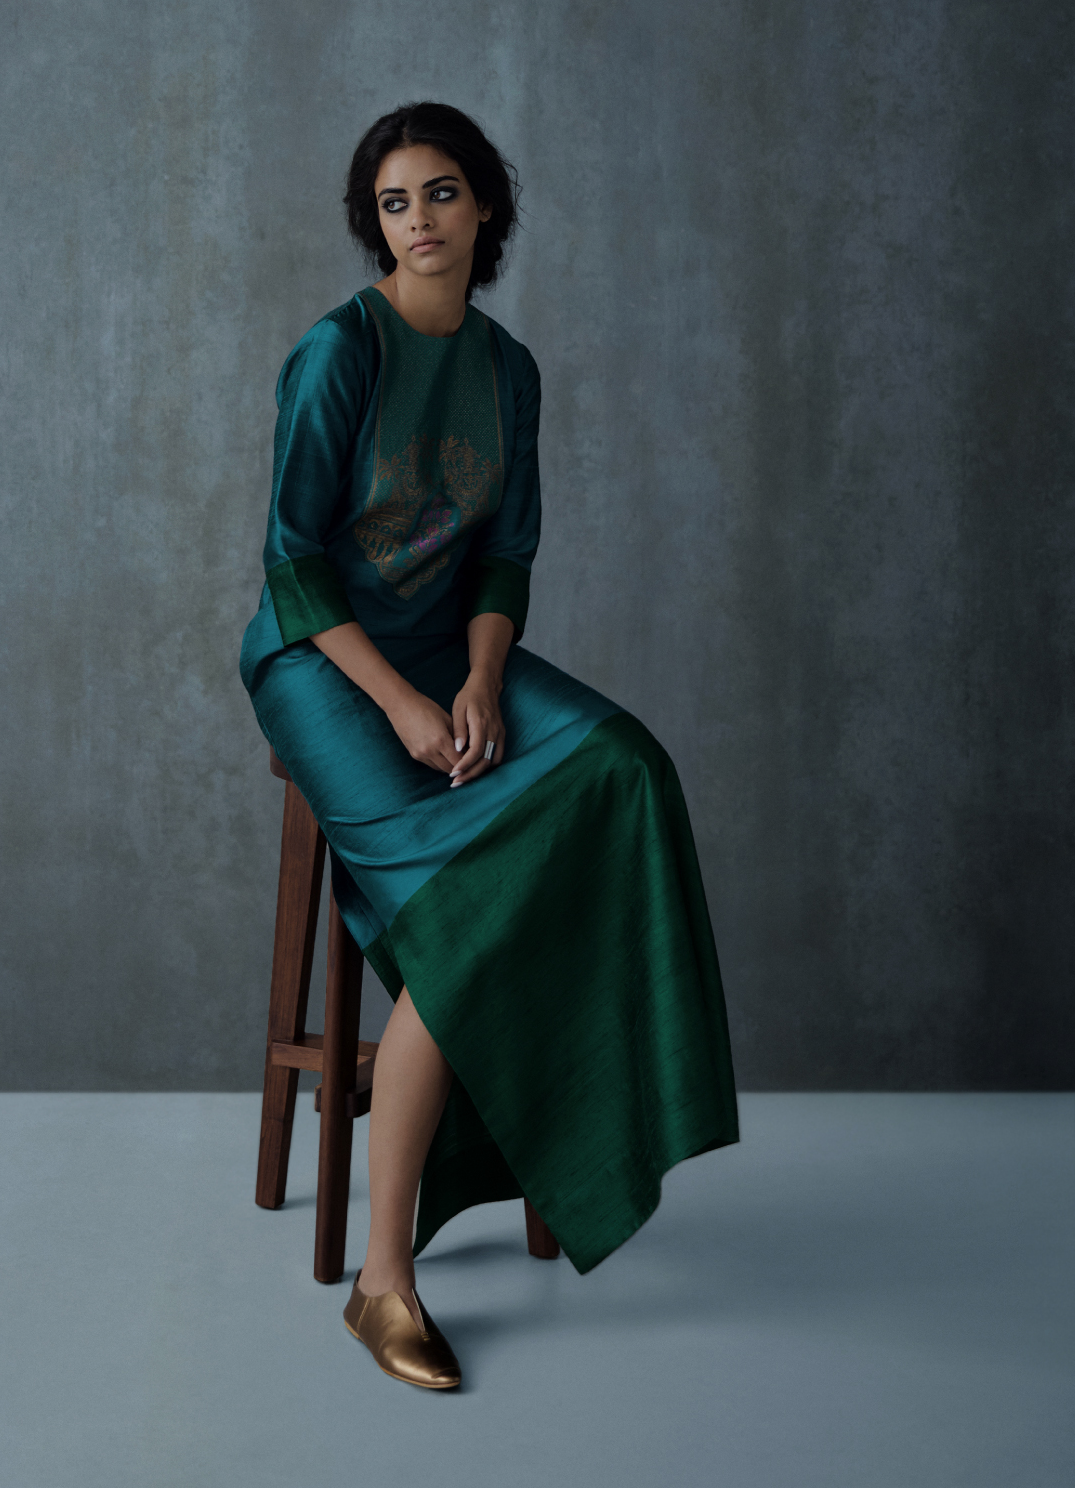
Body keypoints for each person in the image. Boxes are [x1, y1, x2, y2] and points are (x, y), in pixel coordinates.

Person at [240, 103, 738, 1390]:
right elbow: (291, 563)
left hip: (444, 648)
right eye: (395, 201)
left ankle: (578, 1120)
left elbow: (504, 554)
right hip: (323, 661)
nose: (420, 218)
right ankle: (382, 1279)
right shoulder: (336, 353)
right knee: (467, 908)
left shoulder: (509, 369)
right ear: (376, 225)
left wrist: (472, 679)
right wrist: (402, 706)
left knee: (626, 769)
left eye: (443, 191)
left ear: (487, 208)